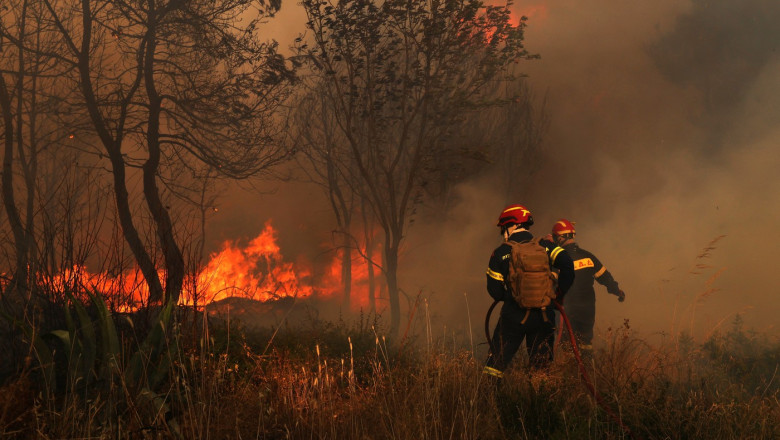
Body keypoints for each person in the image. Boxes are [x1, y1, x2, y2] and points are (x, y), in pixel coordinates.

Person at [483, 204, 575, 379]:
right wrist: (558, 296)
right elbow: (568, 266)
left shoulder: (500, 252)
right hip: (544, 316)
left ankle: (489, 401)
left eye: (504, 228)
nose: (503, 232)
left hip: (513, 317)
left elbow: (494, 290)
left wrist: (512, 298)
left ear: (512, 225)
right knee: (541, 371)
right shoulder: (545, 245)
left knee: (494, 366)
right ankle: (539, 403)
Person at [551, 219, 625, 352]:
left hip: (566, 310)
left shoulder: (558, 260)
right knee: (585, 343)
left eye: (556, 237)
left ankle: (571, 370)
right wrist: (617, 291)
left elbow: (550, 283)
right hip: (587, 309)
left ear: (561, 238)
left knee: (568, 345)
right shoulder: (588, 256)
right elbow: (605, 277)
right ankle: (588, 368)